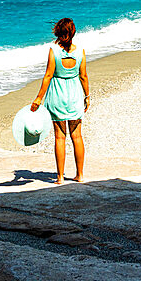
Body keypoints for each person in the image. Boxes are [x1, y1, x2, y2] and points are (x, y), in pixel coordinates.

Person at [31, 17, 90, 183]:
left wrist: (38, 99)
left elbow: (48, 75)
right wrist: (87, 96)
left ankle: (60, 177)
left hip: (57, 96)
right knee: (77, 136)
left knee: (60, 137)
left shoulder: (54, 51)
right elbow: (83, 76)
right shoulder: (80, 52)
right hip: (75, 96)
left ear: (58, 32)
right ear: (73, 33)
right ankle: (80, 175)